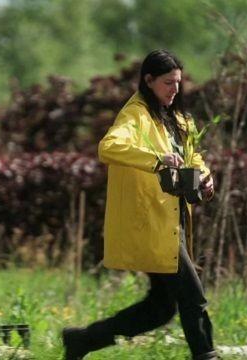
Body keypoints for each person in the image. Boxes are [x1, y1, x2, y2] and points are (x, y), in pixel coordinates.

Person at [62, 49, 217, 360]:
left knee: (160, 309)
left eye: (177, 83)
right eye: (167, 83)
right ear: (148, 80)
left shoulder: (178, 119)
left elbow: (192, 158)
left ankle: (82, 340)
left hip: (172, 221)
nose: (174, 89)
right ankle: (207, 356)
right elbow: (108, 147)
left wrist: (205, 174)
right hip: (152, 225)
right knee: (193, 296)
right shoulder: (135, 115)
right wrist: (155, 160)